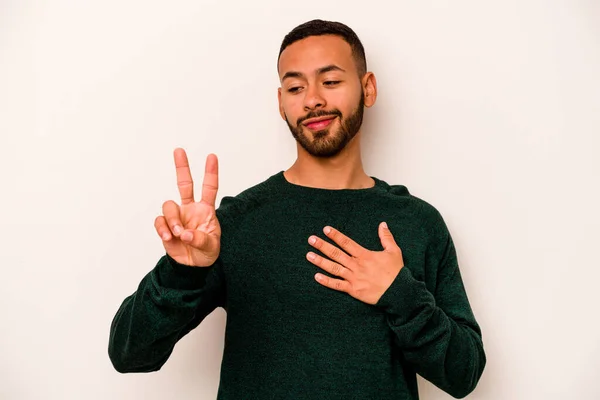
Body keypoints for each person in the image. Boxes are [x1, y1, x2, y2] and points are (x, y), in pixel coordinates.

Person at [108, 19, 486, 399]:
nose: (312, 99)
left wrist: (399, 293)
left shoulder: (417, 223)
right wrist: (181, 272)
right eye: (295, 87)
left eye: (331, 81)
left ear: (368, 88)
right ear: (280, 102)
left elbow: (463, 374)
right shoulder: (235, 225)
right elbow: (129, 354)